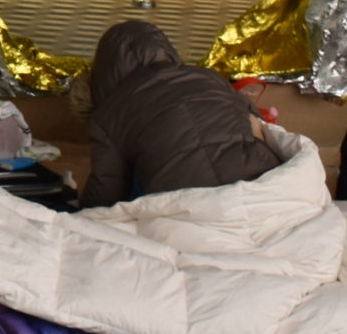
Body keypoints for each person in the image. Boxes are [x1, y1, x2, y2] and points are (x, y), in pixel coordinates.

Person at [80, 19, 280, 208]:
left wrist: (83, 215)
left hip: (185, 202)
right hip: (260, 180)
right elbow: (257, 123)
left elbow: (107, 189)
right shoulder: (209, 77)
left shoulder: (110, 114)